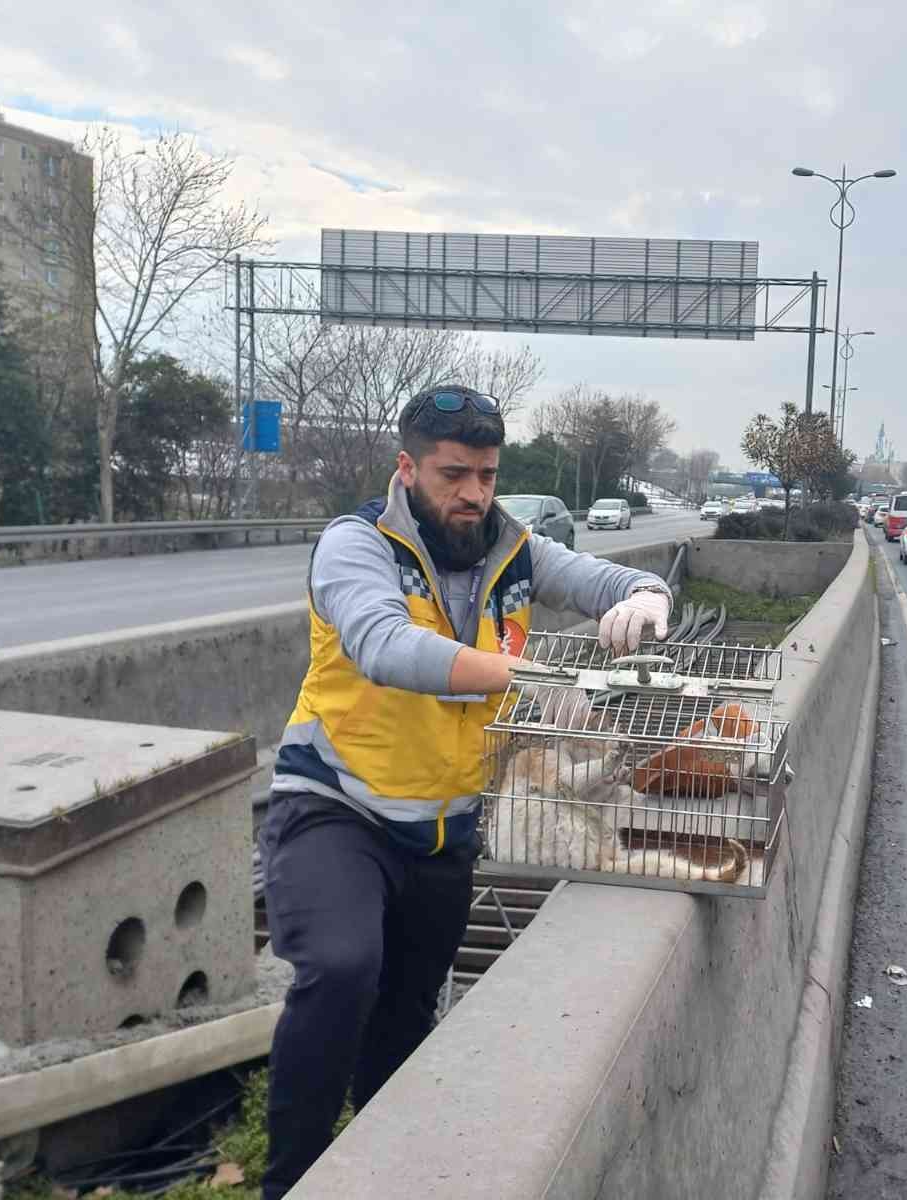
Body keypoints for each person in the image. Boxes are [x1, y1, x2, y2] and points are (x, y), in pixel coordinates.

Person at [258, 383, 671, 1198]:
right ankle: (291, 1182)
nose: (474, 494)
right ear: (407, 468)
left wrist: (647, 597)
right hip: (336, 804)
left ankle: (378, 1172)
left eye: (486, 475)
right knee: (342, 969)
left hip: (444, 828)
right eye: (454, 475)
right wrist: (534, 675)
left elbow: (602, 582)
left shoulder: (514, 550)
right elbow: (385, 647)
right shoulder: (356, 544)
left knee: (408, 1015)